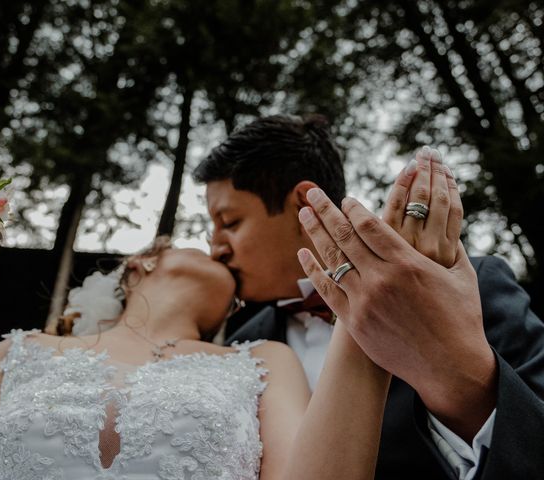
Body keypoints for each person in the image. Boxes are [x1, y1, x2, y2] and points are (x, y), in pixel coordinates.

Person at [195, 114, 544, 480]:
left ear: (303, 204)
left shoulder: (475, 285)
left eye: (230, 223)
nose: (216, 249)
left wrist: (455, 377)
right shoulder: (240, 346)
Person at [0, 237, 391, 479]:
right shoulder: (18, 350)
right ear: (145, 261)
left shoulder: (264, 361)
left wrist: (366, 311)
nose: (223, 249)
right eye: (201, 244)